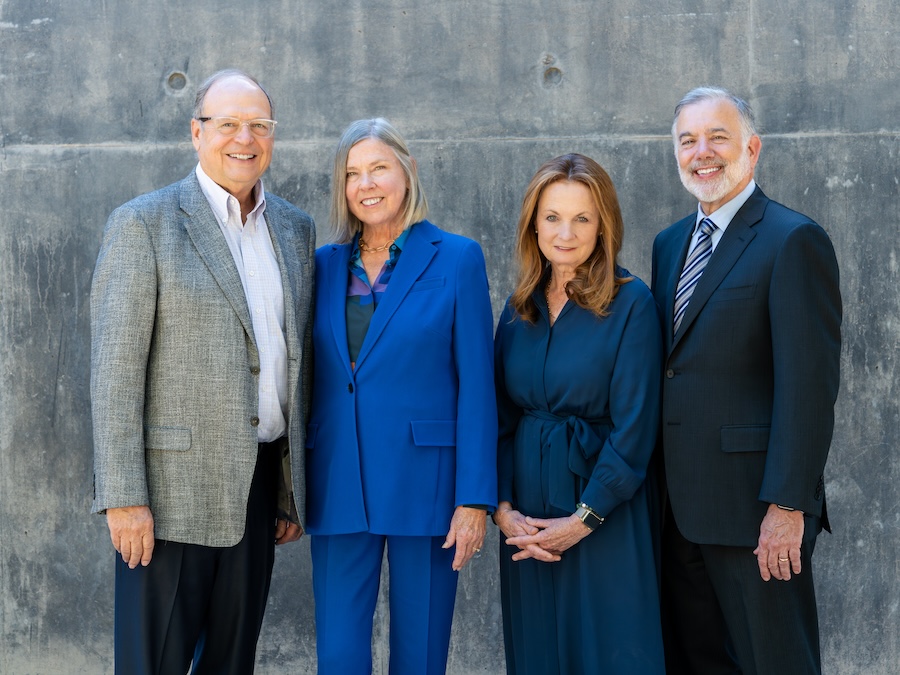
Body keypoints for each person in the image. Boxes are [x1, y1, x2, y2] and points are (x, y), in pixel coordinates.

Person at [90, 69, 315, 674]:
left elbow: (296, 364)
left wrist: (289, 489)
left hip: (259, 487)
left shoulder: (294, 230)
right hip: (167, 499)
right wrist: (123, 499)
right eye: (228, 124)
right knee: (153, 663)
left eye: (260, 125)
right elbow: (114, 372)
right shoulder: (144, 224)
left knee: (231, 662)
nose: (245, 138)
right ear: (197, 133)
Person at [651, 86, 842, 675]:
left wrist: (788, 506)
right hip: (677, 509)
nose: (701, 152)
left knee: (775, 662)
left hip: (755, 513)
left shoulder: (792, 239)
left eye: (717, 137)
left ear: (751, 148)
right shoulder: (667, 244)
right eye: (688, 140)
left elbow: (808, 388)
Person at [305, 117, 497, 674]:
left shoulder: (457, 257)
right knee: (338, 657)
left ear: (407, 172)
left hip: (429, 486)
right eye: (352, 174)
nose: (367, 184)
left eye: (379, 168)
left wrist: (475, 498)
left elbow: (477, 387)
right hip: (338, 481)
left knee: (420, 654)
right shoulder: (320, 265)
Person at [494, 153, 666, 674]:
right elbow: (498, 421)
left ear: (603, 225)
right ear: (533, 223)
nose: (565, 232)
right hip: (526, 521)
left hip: (602, 510)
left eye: (581, 218)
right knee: (538, 653)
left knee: (609, 651)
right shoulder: (517, 306)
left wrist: (583, 519)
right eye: (552, 217)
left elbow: (635, 428)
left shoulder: (631, 302)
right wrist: (503, 511)